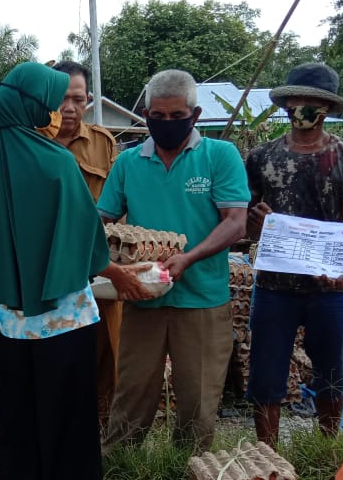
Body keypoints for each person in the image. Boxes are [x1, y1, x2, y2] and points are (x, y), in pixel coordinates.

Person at [0, 62, 139, 480]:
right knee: (68, 421)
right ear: (32, 105)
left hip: (14, 320)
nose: (60, 110)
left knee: (21, 420)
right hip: (63, 319)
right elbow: (87, 243)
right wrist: (120, 273)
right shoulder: (55, 161)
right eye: (53, 101)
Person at [97, 69, 249, 453]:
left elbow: (235, 221)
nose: (166, 123)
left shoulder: (219, 156)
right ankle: (120, 465)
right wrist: (105, 259)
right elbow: (102, 219)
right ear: (146, 115)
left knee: (198, 398)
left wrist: (189, 258)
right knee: (132, 390)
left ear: (195, 116)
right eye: (158, 116)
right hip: (143, 295)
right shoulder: (129, 162)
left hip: (202, 298)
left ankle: (188, 470)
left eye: (176, 116)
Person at [246, 62, 343, 446]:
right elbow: (246, 225)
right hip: (274, 287)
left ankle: (326, 448)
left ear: (327, 108)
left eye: (311, 101)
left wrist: (337, 266)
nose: (301, 107)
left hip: (330, 289)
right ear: (286, 105)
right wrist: (258, 222)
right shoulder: (261, 158)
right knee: (265, 375)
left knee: (331, 374)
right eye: (296, 100)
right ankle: (266, 454)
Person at [49, 60, 121, 426]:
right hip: (48, 270)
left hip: (98, 270)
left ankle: (100, 430)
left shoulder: (102, 144)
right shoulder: (30, 142)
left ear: (88, 100)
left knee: (103, 350)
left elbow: (118, 208)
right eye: (61, 99)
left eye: (78, 99)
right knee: (52, 353)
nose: (69, 108)